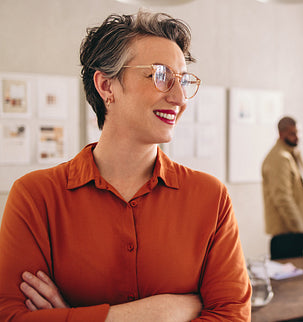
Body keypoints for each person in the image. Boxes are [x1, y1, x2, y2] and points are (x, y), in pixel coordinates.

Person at [0, 11, 251, 321]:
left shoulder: (211, 197)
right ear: (107, 86)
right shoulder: (36, 196)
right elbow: (11, 316)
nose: (179, 97)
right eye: (160, 75)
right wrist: (159, 312)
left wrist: (72, 317)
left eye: (183, 80)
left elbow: (232, 316)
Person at [261, 116, 303, 236]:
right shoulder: (279, 158)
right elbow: (282, 198)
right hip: (288, 231)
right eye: (292, 133)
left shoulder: (293, 153)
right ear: (281, 134)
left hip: (298, 229)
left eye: (298, 133)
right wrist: (300, 229)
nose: (297, 137)